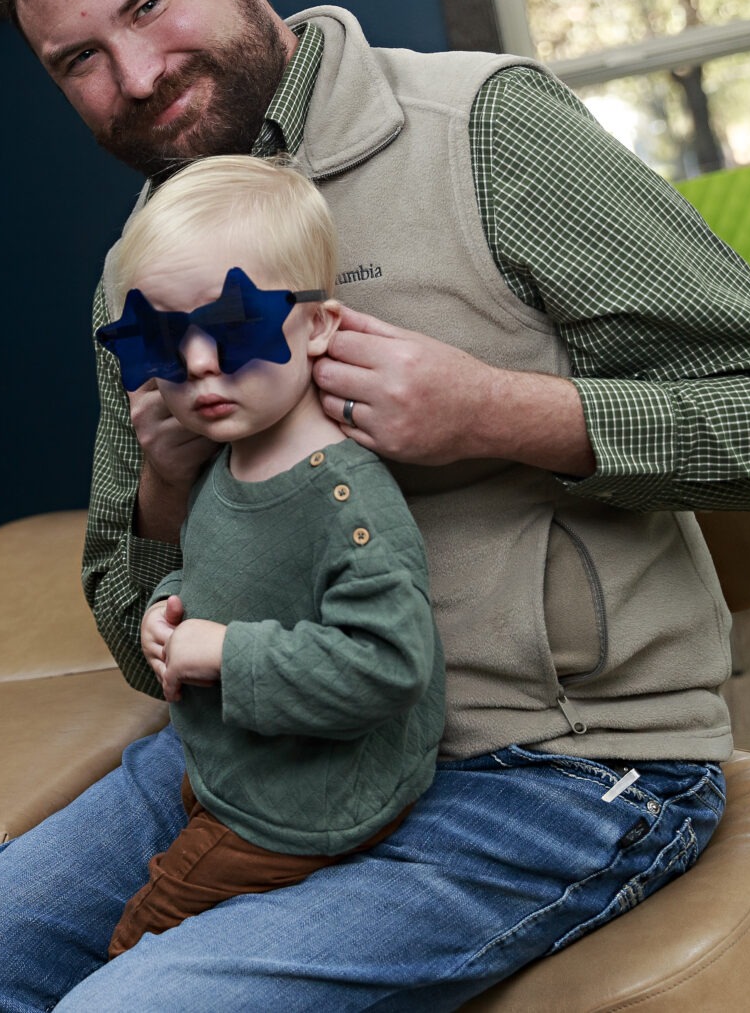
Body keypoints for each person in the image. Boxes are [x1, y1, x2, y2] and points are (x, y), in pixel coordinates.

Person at [0, 0, 750, 1008]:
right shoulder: (143, 282)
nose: (131, 74)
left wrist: (499, 409)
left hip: (549, 765)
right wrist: (163, 498)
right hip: (268, 752)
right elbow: (141, 644)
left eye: (149, 3)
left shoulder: (483, 131)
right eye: (78, 57)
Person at [96, 154, 443, 958]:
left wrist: (219, 649)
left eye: (232, 328)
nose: (198, 366)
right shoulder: (231, 455)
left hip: (306, 801)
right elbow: (225, 567)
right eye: (163, 341)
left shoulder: (343, 496)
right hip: (235, 766)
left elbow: (389, 663)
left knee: (133, 943)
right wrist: (170, 604)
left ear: (317, 324)